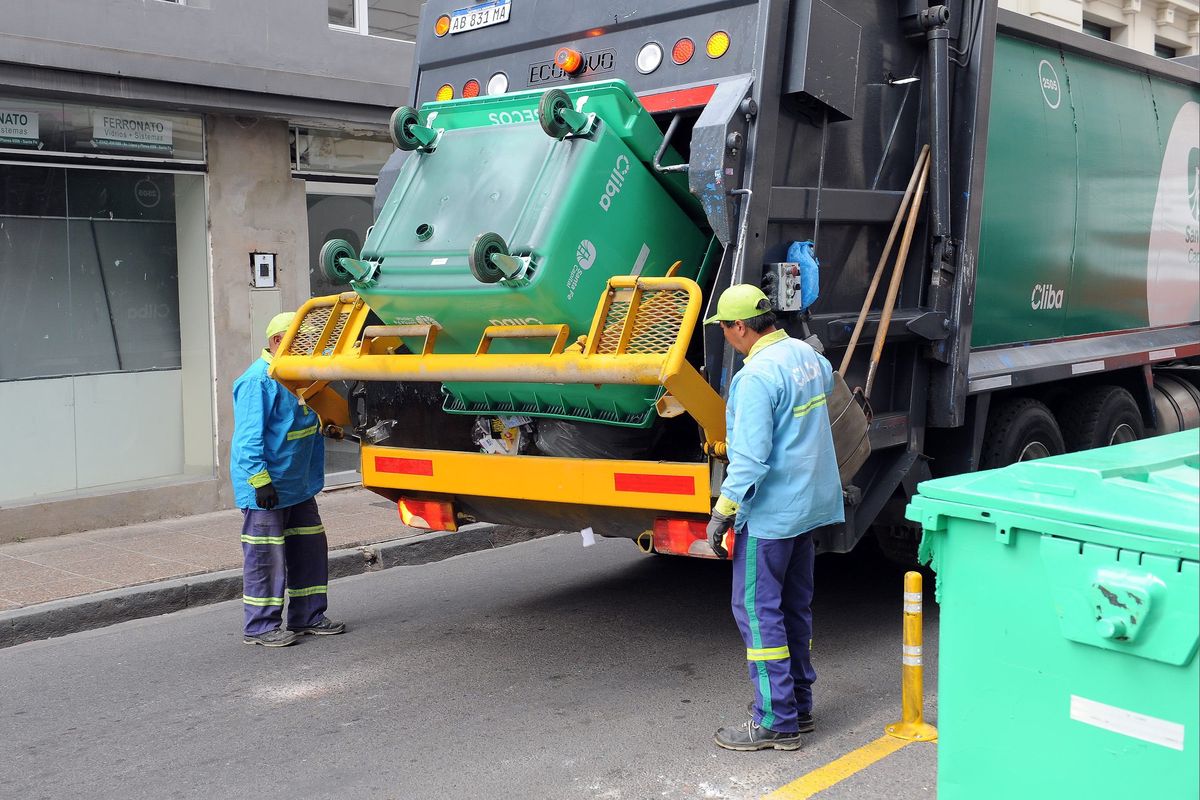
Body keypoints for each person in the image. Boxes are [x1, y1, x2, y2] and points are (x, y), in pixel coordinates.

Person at [704, 284, 844, 751]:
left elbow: (750, 459)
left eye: (724, 328)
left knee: (759, 615)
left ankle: (775, 721)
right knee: (793, 608)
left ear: (740, 327)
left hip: (770, 517)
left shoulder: (755, 377)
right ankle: (798, 707)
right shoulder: (807, 356)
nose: (724, 337)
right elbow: (821, 391)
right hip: (808, 508)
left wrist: (722, 512)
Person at [230, 312, 346, 647]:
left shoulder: (298, 376)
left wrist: (328, 426)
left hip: (297, 484)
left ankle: (307, 616)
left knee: (309, 549)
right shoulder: (258, 381)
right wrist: (259, 481)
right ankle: (260, 627)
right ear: (280, 341)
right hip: (268, 487)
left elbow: (301, 423)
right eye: (305, 341)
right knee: (266, 557)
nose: (311, 347)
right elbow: (248, 439)